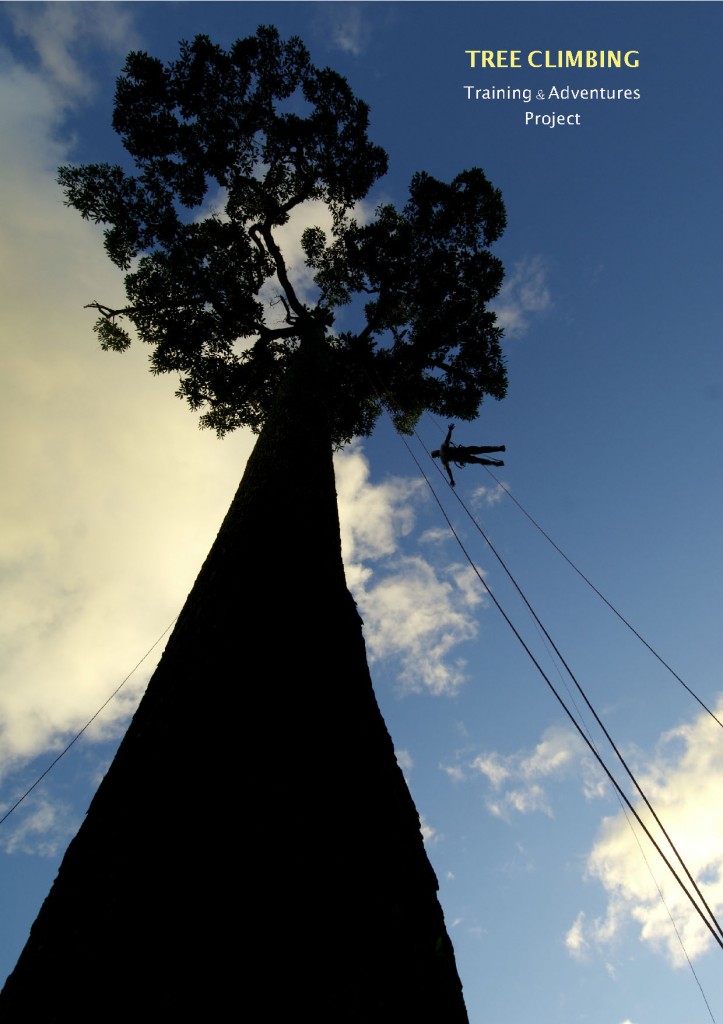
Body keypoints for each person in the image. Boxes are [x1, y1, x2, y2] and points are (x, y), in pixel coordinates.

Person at [431, 423, 505, 487]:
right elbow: (448, 470)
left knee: (481, 454)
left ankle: (498, 453)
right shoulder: (443, 455)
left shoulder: (443, 454)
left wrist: (450, 430)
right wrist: (450, 430)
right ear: (437, 453)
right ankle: (498, 454)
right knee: (481, 455)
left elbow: (447, 439)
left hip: (463, 453)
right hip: (463, 455)